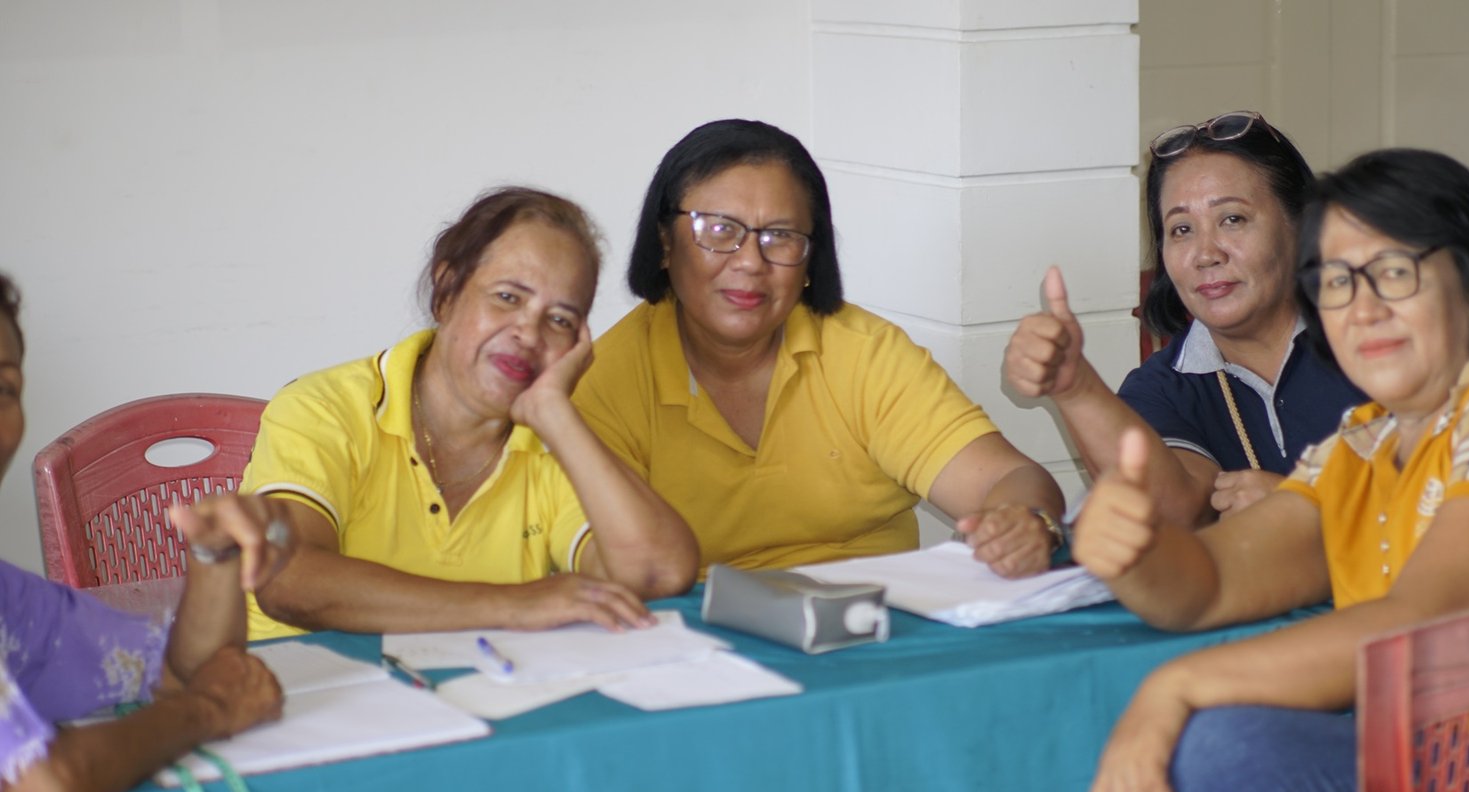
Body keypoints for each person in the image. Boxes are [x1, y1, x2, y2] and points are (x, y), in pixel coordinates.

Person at [1058, 149, 1469, 792]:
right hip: (1436, 777)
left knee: (1231, 753)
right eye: (1338, 282)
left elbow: (1432, 619)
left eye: (1394, 272)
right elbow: (1207, 585)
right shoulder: (1360, 446)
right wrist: (1136, 554)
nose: (1362, 308)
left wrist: (1174, 687)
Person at [572, 119, 1066, 578]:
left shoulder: (862, 354)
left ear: (811, 258)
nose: (751, 261)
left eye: (780, 236)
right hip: (695, 626)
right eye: (720, 230)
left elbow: (1008, 478)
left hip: (878, 616)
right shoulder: (608, 380)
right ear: (664, 243)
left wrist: (1025, 522)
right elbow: (617, 563)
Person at [243, 187, 699, 641]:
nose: (529, 333)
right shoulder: (323, 407)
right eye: (507, 297)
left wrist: (556, 415)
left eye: (560, 320)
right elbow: (287, 577)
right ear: (446, 291)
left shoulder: (553, 444)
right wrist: (511, 606)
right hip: (300, 681)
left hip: (476, 681)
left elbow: (657, 574)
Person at [0, 273, 289, 792]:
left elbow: (181, 672)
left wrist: (214, 553)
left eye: (3, 388)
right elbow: (48, 788)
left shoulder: (9, 601)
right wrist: (209, 711)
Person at [1005, 111, 1365, 525]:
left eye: (1232, 219)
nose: (1206, 254)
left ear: (1301, 226)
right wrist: (1076, 388)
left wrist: (1310, 506)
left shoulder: (1375, 333)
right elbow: (1173, 510)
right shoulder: (1162, 388)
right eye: (1181, 230)